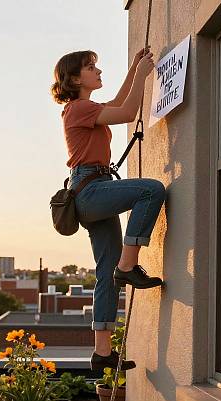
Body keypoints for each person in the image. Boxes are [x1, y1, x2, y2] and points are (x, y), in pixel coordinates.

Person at [51, 47, 166, 371]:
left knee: (105, 272)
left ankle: (102, 352)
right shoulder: (78, 108)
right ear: (74, 78)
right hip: (92, 189)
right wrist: (143, 75)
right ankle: (128, 266)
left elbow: (116, 104)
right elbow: (129, 112)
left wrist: (134, 68)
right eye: (91, 68)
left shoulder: (85, 108)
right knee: (151, 189)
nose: (98, 72)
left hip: (90, 189)